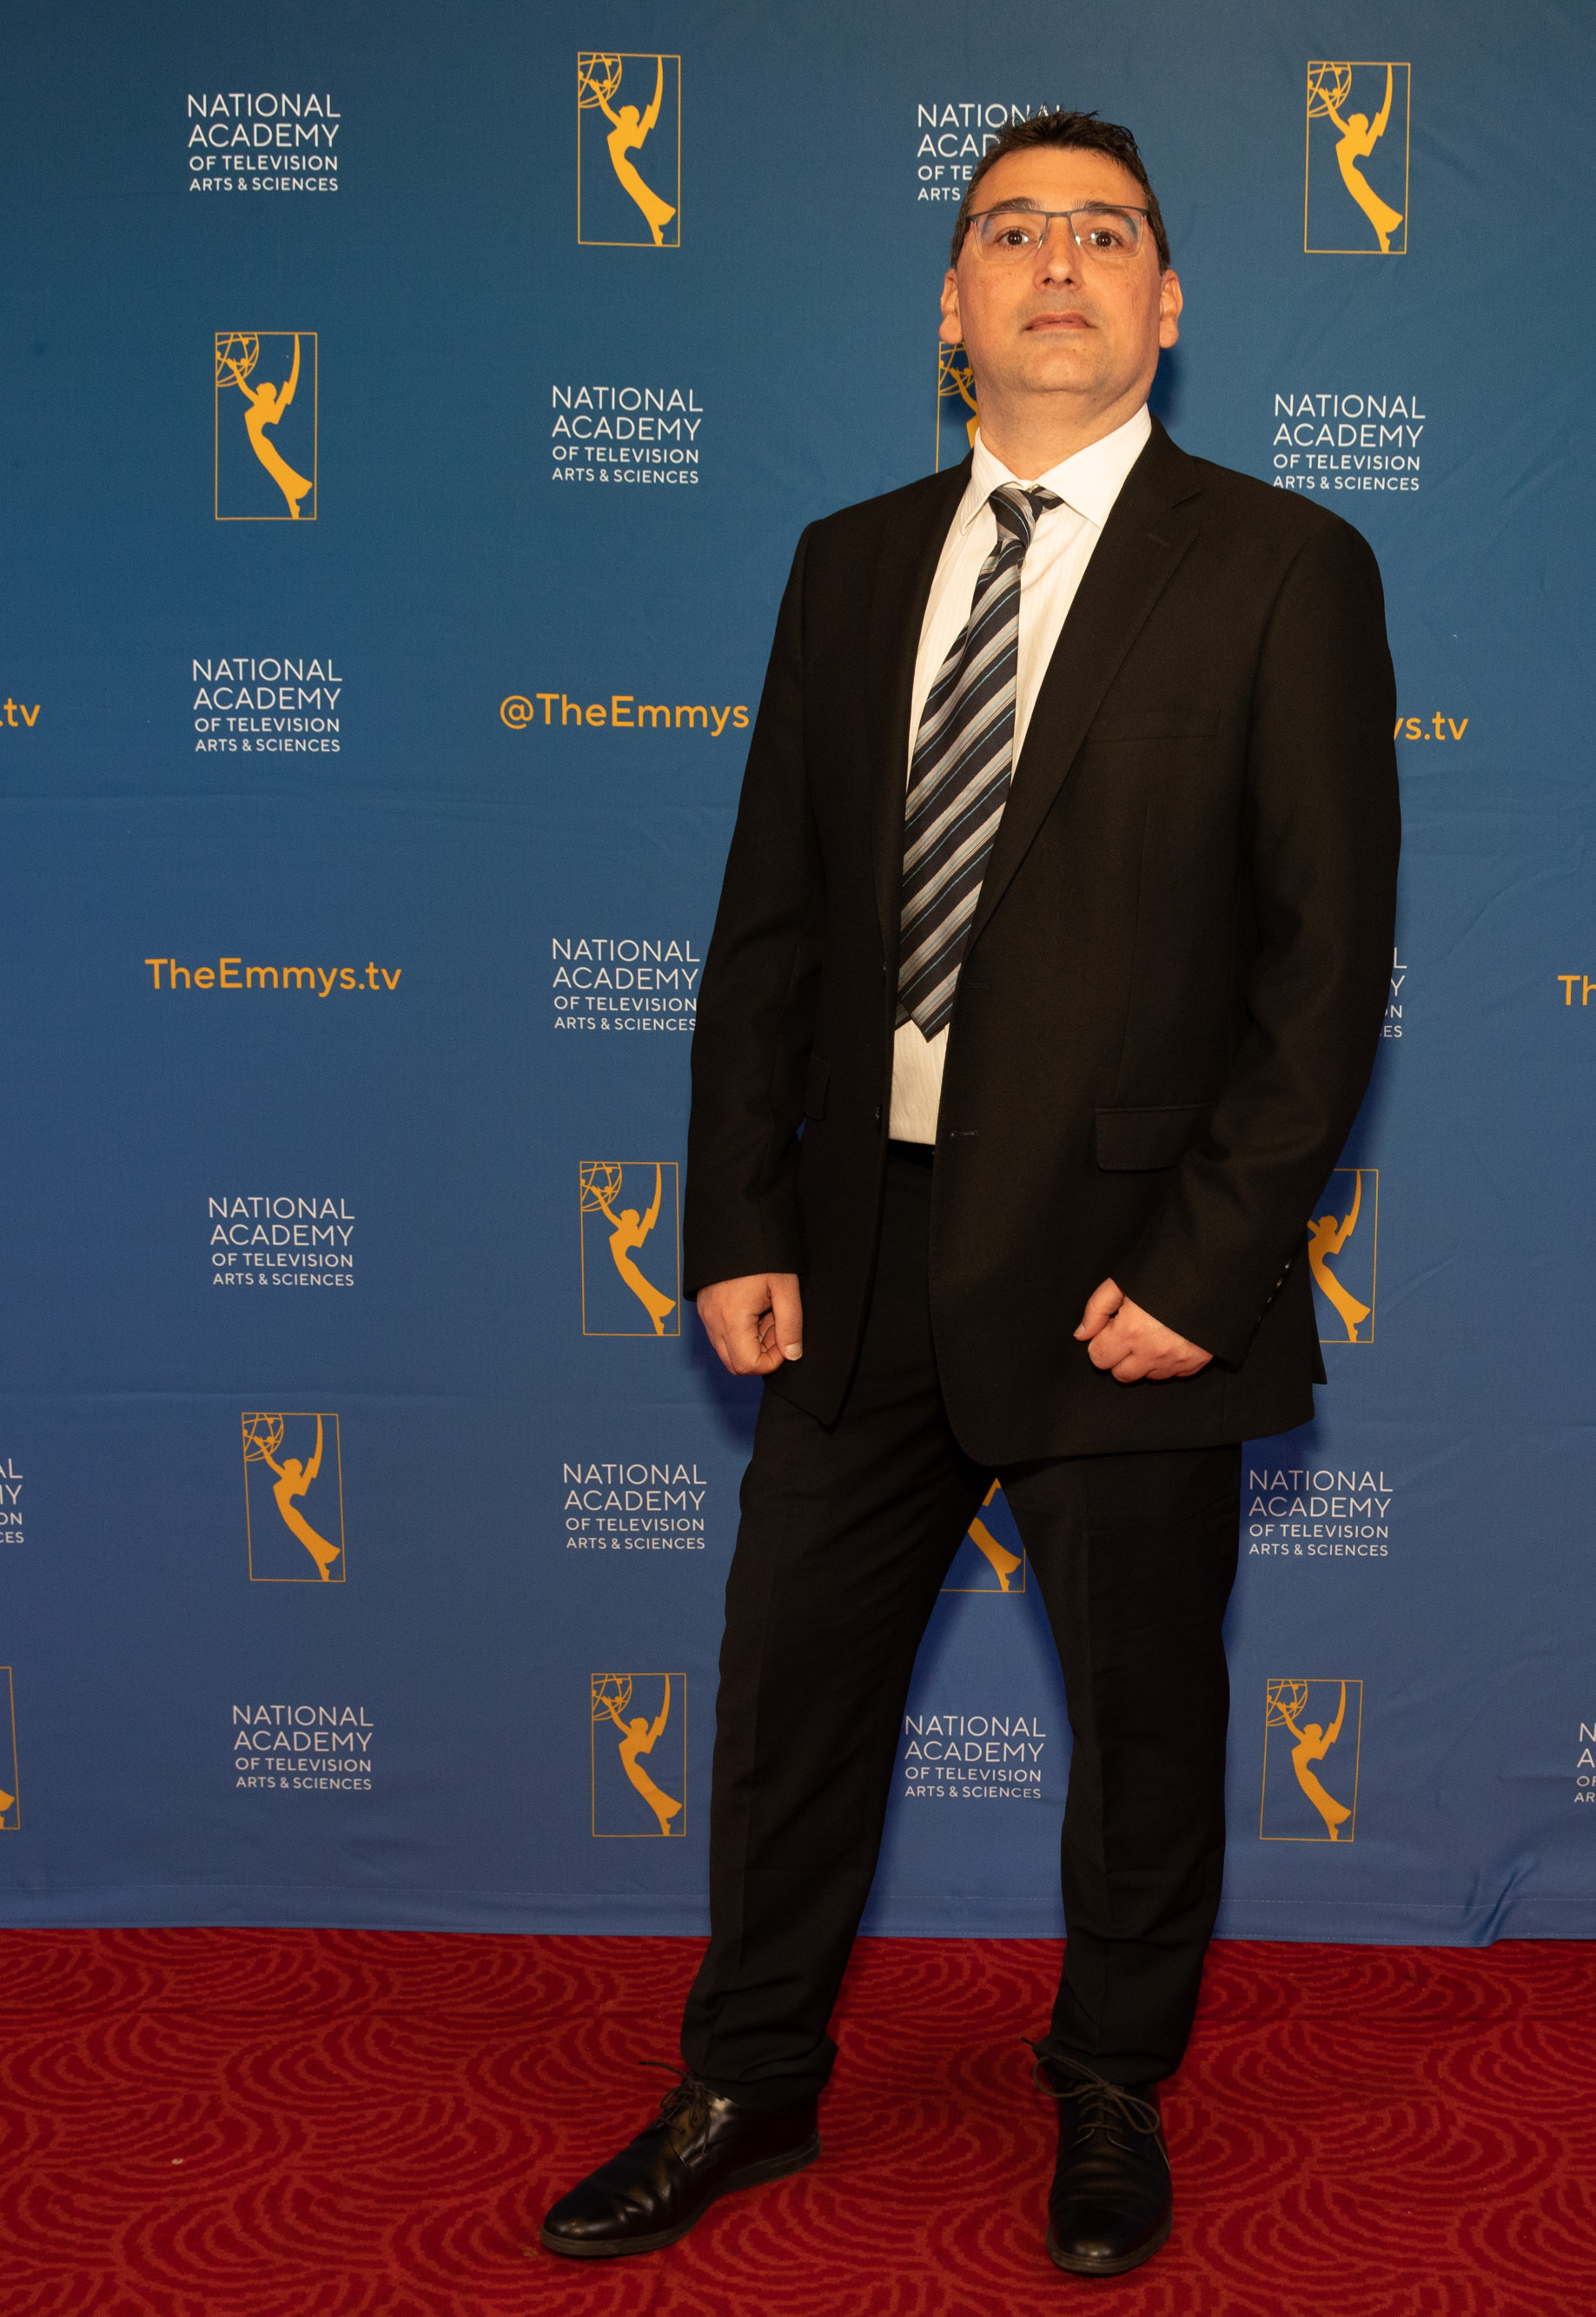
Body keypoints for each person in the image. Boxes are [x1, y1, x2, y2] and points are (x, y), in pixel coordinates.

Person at [538, 109, 1399, 2280]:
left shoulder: (1282, 566)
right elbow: (770, 922)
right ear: (950, 303)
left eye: (1104, 232)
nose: (1057, 262)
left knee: (1140, 1722)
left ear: (1165, 303)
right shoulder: (844, 565)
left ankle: (1107, 2084)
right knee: (786, 1697)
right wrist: (739, 1216)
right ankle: (748, 2074)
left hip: (1130, 1271)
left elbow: (1322, 970)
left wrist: (1205, 1260)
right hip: (857, 1254)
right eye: (1011, 230)